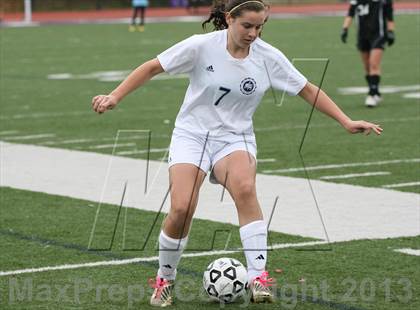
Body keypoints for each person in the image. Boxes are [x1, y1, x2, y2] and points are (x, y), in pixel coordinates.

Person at [92, 0, 383, 306]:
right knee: (181, 208)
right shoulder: (201, 46)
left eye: (260, 27)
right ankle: (165, 279)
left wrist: (346, 121)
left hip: (235, 138)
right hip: (192, 135)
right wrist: (114, 96)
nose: (254, 33)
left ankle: (258, 278)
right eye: (247, 26)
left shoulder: (268, 57)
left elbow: (307, 89)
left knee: (245, 189)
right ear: (229, 19)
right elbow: (153, 67)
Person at [341, 0, 395, 107]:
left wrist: (391, 31)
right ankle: (376, 91)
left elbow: (389, 15)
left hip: (378, 35)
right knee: (367, 66)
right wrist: (345, 29)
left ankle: (372, 94)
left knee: (373, 64)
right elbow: (350, 12)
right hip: (362, 35)